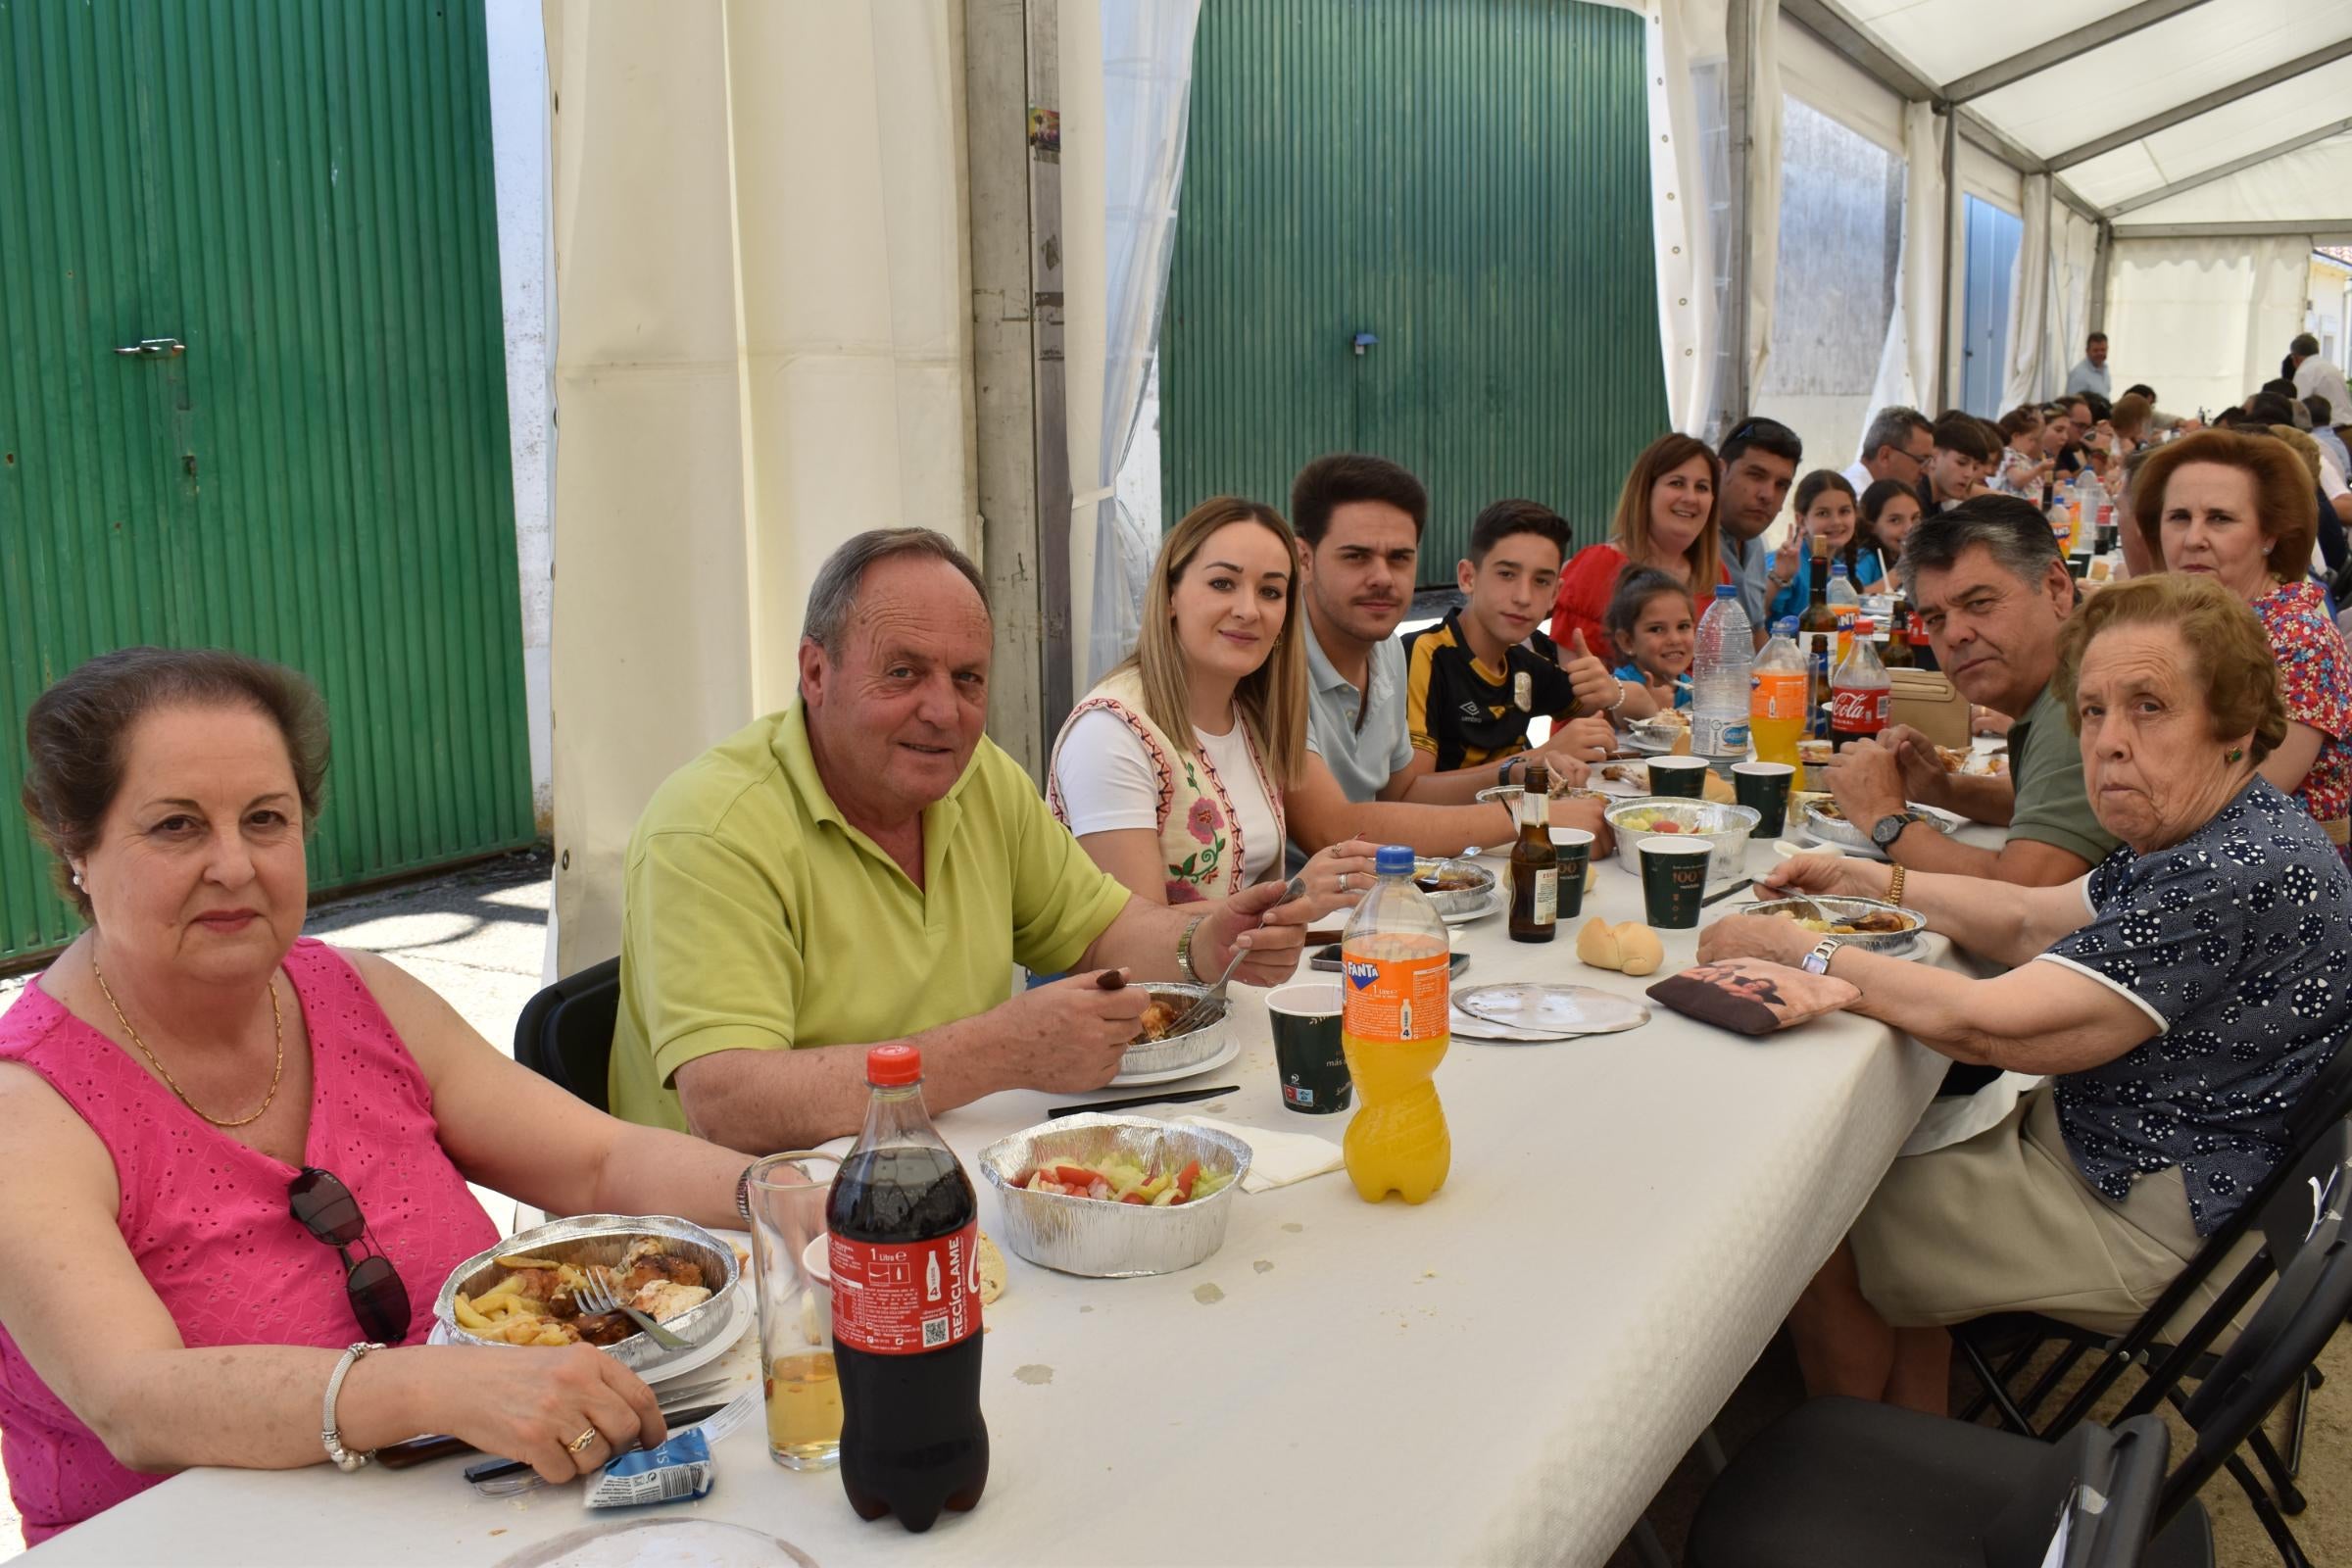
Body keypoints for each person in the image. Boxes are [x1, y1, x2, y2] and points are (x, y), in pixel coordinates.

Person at [0, 648, 761, 1544]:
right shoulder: (30, 1107)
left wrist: (790, 1194)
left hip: (480, 1516)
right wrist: (435, 1389)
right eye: (176, 827)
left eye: (266, 819)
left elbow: (599, 1161)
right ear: (77, 848)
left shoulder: (358, 997)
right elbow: (135, 1400)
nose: (235, 864)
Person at [1698, 574, 2351, 1413]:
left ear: (2234, 725)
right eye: (2093, 711)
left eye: (2148, 706)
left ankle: (1855, 1453)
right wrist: (1867, 877)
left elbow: (1988, 1027)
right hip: (2161, 1166)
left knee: (1807, 1213)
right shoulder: (2227, 820)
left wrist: (1799, 949)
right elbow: (2031, 920)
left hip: (2154, 1216)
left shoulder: (2224, 871)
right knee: (1863, 1153)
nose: (2108, 743)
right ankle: (1911, 1429)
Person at [611, 528, 1315, 1150]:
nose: (944, 711)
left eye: (968, 678)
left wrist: (1204, 941)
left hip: (943, 1172)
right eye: (903, 672)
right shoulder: (711, 826)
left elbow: (1101, 932)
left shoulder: (976, 778)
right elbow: (729, 1104)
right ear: (815, 672)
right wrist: (995, 1052)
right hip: (752, 1230)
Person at [1048, 496, 1377, 912]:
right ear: (1170, 596)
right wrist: (1294, 897)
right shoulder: (1110, 731)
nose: (1247, 610)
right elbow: (1132, 933)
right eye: (1222, 583)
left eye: (1271, 591)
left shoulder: (1252, 715)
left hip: (1237, 976)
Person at [1278, 455, 1614, 861]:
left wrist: (1521, 771)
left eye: (1399, 557)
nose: (1383, 577)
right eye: (1356, 556)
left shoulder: (1384, 648)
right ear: (1304, 559)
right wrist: (1534, 813)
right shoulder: (1273, 659)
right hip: (1293, 909)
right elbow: (1329, 829)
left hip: (1373, 885)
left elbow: (1399, 795)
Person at [1822, 495, 2120, 885]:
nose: (1956, 635)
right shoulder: (2070, 669)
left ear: (2056, 588)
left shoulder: (2087, 693)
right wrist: (1942, 789)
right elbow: (2037, 800)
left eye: (1979, 603)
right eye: (1936, 618)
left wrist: (1883, 817)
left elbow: (2019, 895)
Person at [2132, 429, 2352, 860]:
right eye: (2178, 517)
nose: (2193, 538)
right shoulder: (2190, 622)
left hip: (2271, 880)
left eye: (2219, 518)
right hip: (2182, 855)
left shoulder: (2299, 637)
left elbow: (2253, 795)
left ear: (2270, 534)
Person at [1399, 499, 1617, 779]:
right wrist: (1534, 759)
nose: (1523, 597)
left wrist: (1608, 690)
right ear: (1467, 577)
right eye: (1506, 574)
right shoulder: (1425, 655)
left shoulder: (1526, 658)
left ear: (1554, 594)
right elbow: (1410, 793)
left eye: (1540, 581)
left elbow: (1585, 705)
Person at [1551, 432, 1735, 666]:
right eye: (1677, 483)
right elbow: (1576, 687)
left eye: (1702, 487)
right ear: (1645, 492)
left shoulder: (1716, 577)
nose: (1691, 498)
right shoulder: (1598, 566)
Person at [1713, 416, 1804, 636]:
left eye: (1781, 485)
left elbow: (1755, 634)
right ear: (1719, 472)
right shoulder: (1686, 539)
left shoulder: (1754, 543)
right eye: (1755, 475)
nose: (1768, 495)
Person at [1762, 470, 1882, 624]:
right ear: (1801, 520)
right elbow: (1754, 617)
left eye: (1844, 511)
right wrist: (1779, 577)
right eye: (1823, 513)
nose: (1836, 521)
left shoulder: (1838, 570)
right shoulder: (1783, 565)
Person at [1603, 567, 1697, 711]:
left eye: (1683, 626)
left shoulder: (1688, 686)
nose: (1675, 639)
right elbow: (1619, 716)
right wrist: (1647, 707)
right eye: (1657, 629)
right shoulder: (1620, 685)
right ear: (1627, 641)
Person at [1838, 406, 1934, 501]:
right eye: (1921, 460)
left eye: (1929, 461)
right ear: (1885, 456)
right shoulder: (1856, 502)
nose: (1926, 471)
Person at [1919, 413, 1994, 512]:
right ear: (1934, 457)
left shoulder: (1937, 507)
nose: (1969, 474)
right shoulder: (1914, 504)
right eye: (1961, 462)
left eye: (1975, 468)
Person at [1857, 478, 1923, 579]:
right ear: (1870, 526)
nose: (1910, 528)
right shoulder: (1865, 557)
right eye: (1895, 520)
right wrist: (1902, 568)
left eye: (1915, 518)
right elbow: (1853, 594)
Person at [2289, 333, 2351, 425]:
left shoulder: (2304, 371)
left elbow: (2299, 408)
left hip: (2331, 428)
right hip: (2348, 426)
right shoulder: (2331, 367)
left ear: (2295, 357)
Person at [1992, 406, 2050, 494]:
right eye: (2031, 439)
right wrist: (2039, 468)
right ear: (2015, 436)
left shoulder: (2022, 458)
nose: (2033, 444)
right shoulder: (2008, 454)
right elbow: (2017, 480)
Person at [2063, 330, 2111, 399]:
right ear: (2087, 351)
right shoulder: (2078, 375)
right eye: (2096, 350)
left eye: (2103, 350)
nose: (2100, 353)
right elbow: (2073, 405)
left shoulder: (2105, 369)